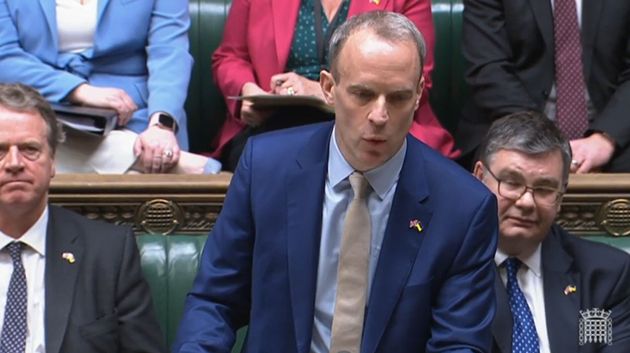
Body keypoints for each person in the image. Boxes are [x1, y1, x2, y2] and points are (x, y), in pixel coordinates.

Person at [173, 11, 498, 353]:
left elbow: (459, 344)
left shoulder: (464, 207)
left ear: (418, 94)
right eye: (362, 94)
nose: (379, 116)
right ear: (329, 88)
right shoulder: (266, 169)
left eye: (399, 98)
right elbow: (215, 301)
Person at [0, 83, 166, 351]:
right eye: (0, 150)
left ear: (53, 160)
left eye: (30, 149)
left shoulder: (109, 253)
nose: (15, 163)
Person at [210, 0, 460, 171]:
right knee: (271, 161)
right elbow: (230, 57)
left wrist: (321, 92)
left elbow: (418, 79)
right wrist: (248, 89)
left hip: (373, 119)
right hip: (274, 122)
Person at [0, 0, 221, 174]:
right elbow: (5, 56)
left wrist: (161, 125)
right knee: (25, 139)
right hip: (40, 105)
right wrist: (79, 91)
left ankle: (132, 158)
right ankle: (140, 159)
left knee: (31, 155)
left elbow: (170, 51)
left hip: (136, 113)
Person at [472, 111, 630, 353]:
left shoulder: (603, 278)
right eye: (512, 183)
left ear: (560, 196)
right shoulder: (444, 267)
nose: (526, 202)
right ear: (480, 178)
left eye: (544, 189)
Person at [458, 0, 630, 173]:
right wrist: (542, 138)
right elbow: (488, 69)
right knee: (507, 171)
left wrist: (606, 138)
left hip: (610, 124)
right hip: (511, 120)